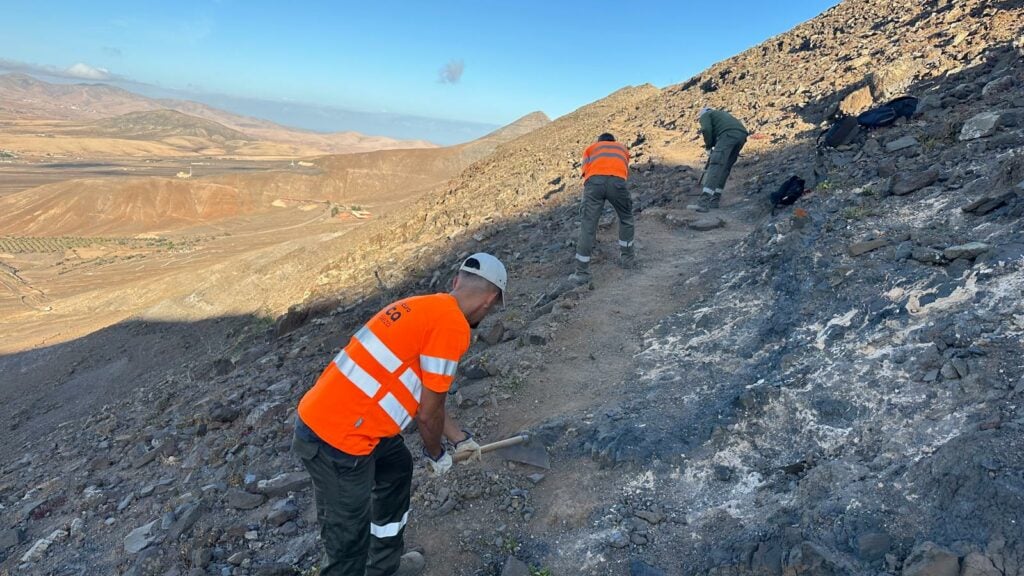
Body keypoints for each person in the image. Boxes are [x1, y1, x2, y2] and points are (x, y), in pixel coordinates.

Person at [292, 253, 507, 576]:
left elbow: (428, 395)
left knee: (396, 468)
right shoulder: (452, 327)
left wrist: (461, 438)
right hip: (336, 441)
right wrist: (436, 454)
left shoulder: (424, 307)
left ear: (456, 282)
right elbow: (428, 415)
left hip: (351, 424)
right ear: (490, 301)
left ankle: (384, 566)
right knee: (347, 543)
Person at [571, 132, 635, 283]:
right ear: (613, 141)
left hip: (594, 183)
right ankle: (628, 259)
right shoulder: (622, 149)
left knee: (588, 226)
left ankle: (582, 273)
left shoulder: (591, 148)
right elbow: (625, 167)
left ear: (599, 141)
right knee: (626, 218)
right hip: (617, 182)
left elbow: (585, 170)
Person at [697, 107, 748, 211]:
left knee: (716, 165)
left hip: (728, 135)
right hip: (742, 135)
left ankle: (703, 202)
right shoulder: (722, 115)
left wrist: (708, 146)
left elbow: (706, 129)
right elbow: (720, 131)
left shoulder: (706, 115)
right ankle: (715, 200)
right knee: (725, 168)